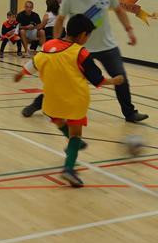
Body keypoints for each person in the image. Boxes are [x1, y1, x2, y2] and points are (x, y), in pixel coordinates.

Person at [21, 0, 149, 123]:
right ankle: (37, 104)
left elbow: (119, 10)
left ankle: (130, 113)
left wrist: (129, 30)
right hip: (79, 48)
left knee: (121, 77)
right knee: (63, 82)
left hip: (107, 46)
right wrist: (55, 43)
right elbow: (60, 20)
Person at [14, 14, 124, 187]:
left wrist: (20, 73)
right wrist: (114, 80)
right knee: (76, 135)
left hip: (50, 101)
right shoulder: (81, 53)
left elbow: (35, 63)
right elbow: (97, 79)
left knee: (58, 121)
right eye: (88, 36)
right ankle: (69, 168)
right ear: (82, 35)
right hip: (75, 102)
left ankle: (74, 146)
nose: (88, 39)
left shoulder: (49, 45)